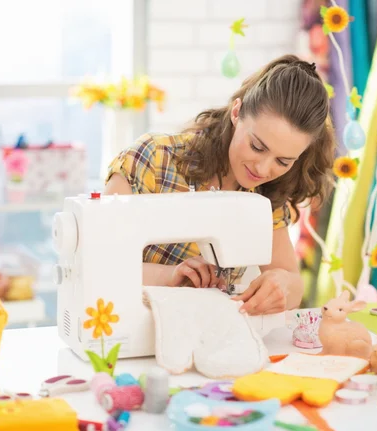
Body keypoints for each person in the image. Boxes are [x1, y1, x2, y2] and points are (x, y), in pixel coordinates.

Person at [104, 54, 336, 316]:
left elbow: (292, 282)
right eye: (257, 146)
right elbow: (100, 261)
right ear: (236, 112)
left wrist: (281, 286)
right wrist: (170, 277)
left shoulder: (266, 193)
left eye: (283, 161)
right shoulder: (153, 160)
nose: (263, 169)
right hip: (120, 329)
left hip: (204, 340)